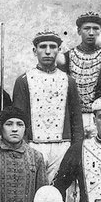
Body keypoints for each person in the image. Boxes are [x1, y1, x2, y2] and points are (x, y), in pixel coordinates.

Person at [13, 30, 83, 183]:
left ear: (59, 50)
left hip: (62, 146)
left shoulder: (68, 80)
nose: (47, 51)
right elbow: (19, 118)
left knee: (59, 190)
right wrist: (22, 147)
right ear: (35, 51)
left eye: (52, 47)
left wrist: (76, 149)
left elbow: (76, 119)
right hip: (33, 145)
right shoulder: (23, 80)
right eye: (43, 47)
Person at [62, 12, 101, 138]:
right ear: (79, 31)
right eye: (87, 28)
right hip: (72, 119)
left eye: (95, 29)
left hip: (100, 119)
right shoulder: (66, 58)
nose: (91, 33)